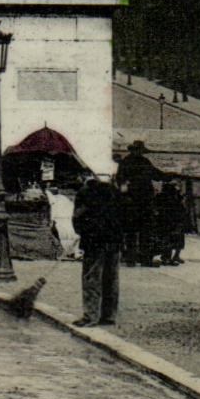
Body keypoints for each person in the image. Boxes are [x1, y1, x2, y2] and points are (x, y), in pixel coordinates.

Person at [71, 175, 122, 327]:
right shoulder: (115, 191)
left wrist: (81, 231)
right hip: (114, 239)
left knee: (92, 278)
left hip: (94, 240)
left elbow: (78, 216)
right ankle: (109, 315)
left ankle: (90, 316)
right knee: (111, 278)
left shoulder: (85, 192)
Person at [115, 140, 161, 266]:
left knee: (133, 231)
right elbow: (156, 174)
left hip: (133, 202)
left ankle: (132, 259)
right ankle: (143, 259)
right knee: (143, 231)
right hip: (140, 201)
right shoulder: (142, 163)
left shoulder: (127, 163)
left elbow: (120, 180)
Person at [154, 181, 188, 266]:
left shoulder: (177, 196)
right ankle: (166, 258)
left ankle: (175, 256)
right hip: (168, 220)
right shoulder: (164, 196)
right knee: (168, 239)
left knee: (178, 239)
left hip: (176, 220)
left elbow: (182, 207)